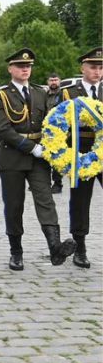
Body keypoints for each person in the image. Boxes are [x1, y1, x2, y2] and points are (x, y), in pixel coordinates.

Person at [0, 48, 76, 271]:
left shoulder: (40, 92)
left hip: (39, 158)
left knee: (45, 199)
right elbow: (3, 130)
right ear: (10, 69)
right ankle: (16, 252)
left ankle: (55, 248)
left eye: (28, 66)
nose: (25, 69)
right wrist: (32, 148)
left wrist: (55, 143)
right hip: (12, 157)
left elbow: (50, 121)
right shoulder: (1, 95)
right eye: (20, 66)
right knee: (14, 205)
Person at [53, 47, 103, 268]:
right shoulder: (68, 93)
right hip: (80, 152)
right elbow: (57, 122)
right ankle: (80, 248)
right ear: (82, 68)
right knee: (80, 201)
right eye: (93, 67)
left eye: (101, 68)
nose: (98, 72)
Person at [47, 76, 64, 194]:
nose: (53, 82)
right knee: (44, 157)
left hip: (59, 130)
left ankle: (58, 183)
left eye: (55, 80)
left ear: (60, 81)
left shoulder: (64, 94)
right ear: (47, 82)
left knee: (57, 157)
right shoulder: (43, 95)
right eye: (51, 80)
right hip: (45, 130)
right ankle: (44, 182)